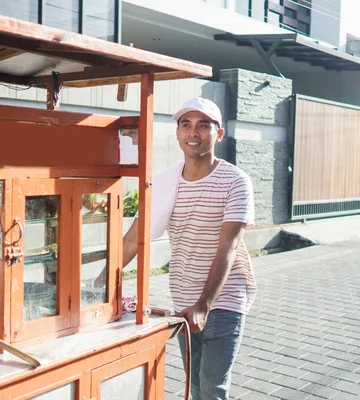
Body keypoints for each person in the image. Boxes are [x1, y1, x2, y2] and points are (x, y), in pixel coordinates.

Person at [121, 97, 256, 400]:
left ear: (218, 134)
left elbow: (228, 248)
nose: (193, 132)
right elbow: (133, 239)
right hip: (184, 299)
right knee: (193, 385)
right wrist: (101, 282)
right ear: (178, 133)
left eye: (203, 125)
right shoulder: (166, 182)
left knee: (212, 387)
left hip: (224, 298)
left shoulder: (236, 181)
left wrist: (205, 305)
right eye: (186, 125)